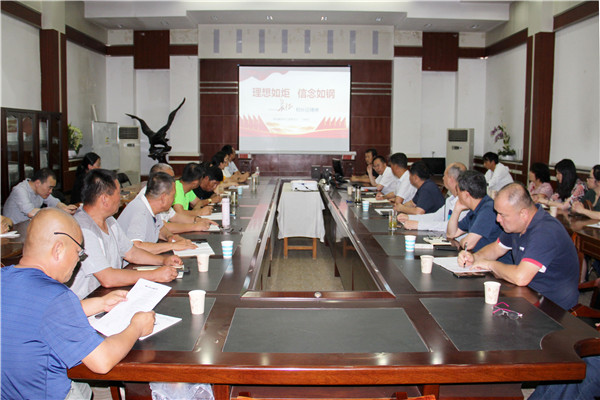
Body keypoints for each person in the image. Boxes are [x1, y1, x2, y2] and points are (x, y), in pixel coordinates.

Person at [1, 208, 155, 399]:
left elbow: (34, 314)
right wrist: (137, 327)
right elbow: (102, 361)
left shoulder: (5, 276)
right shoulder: (55, 295)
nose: (78, 260)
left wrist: (100, 303)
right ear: (58, 249)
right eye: (78, 252)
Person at [458, 182, 579, 311]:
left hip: (553, 307)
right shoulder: (517, 226)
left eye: (502, 215)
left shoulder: (545, 231)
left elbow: (521, 277)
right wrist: (473, 257)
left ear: (523, 214)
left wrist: (490, 264)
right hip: (527, 295)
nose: (498, 219)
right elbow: (496, 248)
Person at [70, 169, 182, 299]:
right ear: (105, 199)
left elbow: (131, 252)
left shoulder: (109, 220)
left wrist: (163, 260)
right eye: (119, 193)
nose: (121, 198)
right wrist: (154, 275)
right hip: (87, 302)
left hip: (109, 294)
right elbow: (108, 278)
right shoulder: (82, 229)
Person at [118, 172, 196, 255]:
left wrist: (171, 237)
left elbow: (160, 229)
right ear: (163, 198)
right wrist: (172, 245)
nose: (174, 200)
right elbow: (136, 246)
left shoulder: (153, 208)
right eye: (173, 196)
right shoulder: (140, 211)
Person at [447, 170, 509, 261]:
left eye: (458, 191)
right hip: (480, 260)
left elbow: (468, 244)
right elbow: (451, 234)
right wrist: (456, 209)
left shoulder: (489, 209)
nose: (457, 195)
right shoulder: (476, 209)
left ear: (466, 195)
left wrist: (462, 241)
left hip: (495, 266)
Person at [137, 163, 216, 232]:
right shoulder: (150, 196)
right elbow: (163, 227)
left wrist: (197, 219)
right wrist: (194, 226)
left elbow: (174, 216)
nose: (173, 182)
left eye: (173, 178)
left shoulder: (164, 192)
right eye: (169, 178)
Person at [398, 162, 467, 231]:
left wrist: (419, 225)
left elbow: (450, 226)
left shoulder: (464, 202)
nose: (443, 178)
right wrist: (409, 218)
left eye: (444, 175)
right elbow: (436, 216)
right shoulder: (450, 200)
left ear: (450, 179)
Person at [3, 168, 77, 224]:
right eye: (50, 187)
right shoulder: (20, 190)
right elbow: (31, 212)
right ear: (38, 183)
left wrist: (65, 208)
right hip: (14, 230)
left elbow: (54, 202)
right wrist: (58, 211)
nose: (51, 191)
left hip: (29, 225)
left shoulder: (40, 190)